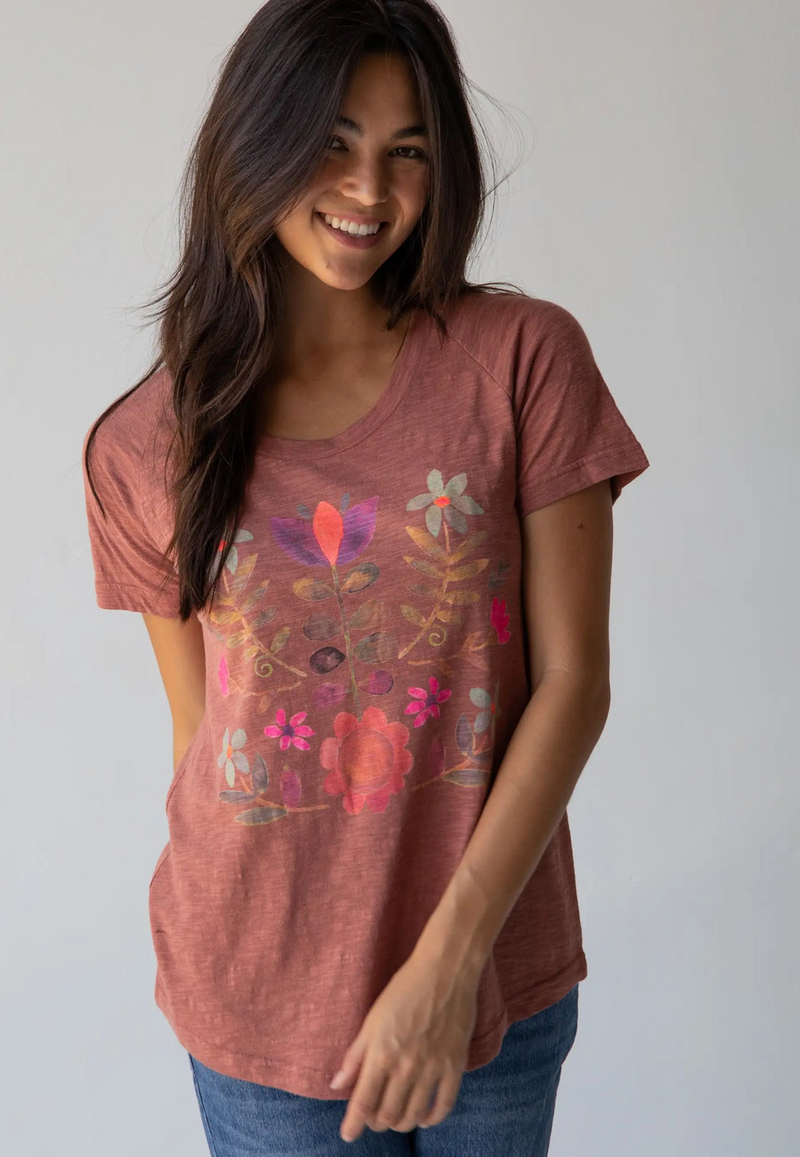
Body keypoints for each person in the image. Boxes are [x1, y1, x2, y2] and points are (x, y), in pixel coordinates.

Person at [81, 0, 650, 1152]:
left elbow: (572, 683)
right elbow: (205, 737)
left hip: (487, 974)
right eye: (332, 140)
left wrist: (448, 962)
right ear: (255, 141)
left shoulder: (520, 361)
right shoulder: (143, 444)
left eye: (408, 151)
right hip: (257, 993)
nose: (369, 188)